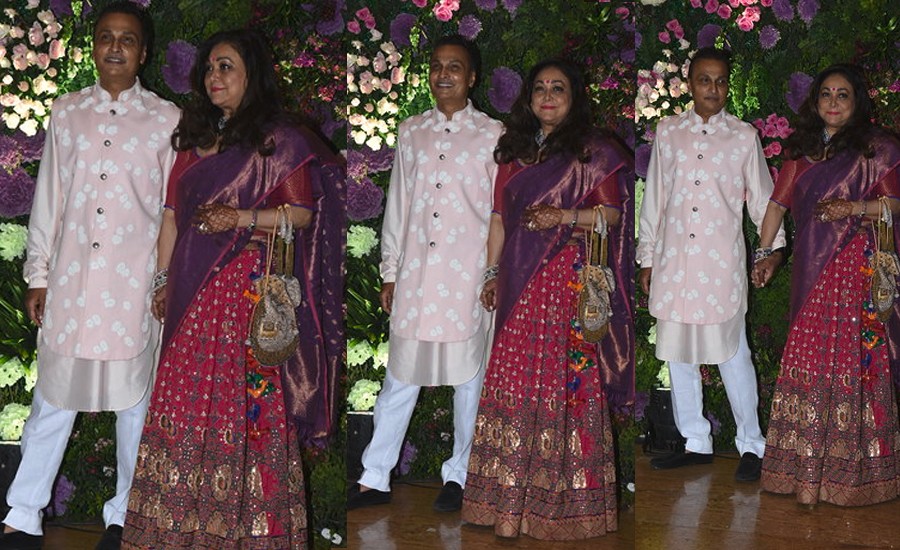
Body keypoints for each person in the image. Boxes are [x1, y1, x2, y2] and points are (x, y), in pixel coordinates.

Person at [120, 29, 344, 548]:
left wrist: (239, 218)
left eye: (226, 67)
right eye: (209, 68)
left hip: (249, 297)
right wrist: (162, 278)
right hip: (193, 296)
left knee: (251, 408)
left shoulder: (277, 140)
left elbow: (303, 215)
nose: (213, 77)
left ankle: (254, 533)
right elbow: (171, 218)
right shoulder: (193, 141)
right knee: (184, 403)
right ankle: (176, 529)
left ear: (251, 76)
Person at [0, 3, 179, 550]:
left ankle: (124, 515)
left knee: (134, 405)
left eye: (128, 39)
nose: (117, 47)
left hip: (134, 286)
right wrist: (39, 274)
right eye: (106, 37)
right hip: (74, 281)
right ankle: (23, 514)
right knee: (52, 399)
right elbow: (48, 198)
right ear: (94, 47)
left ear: (143, 52)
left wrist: (164, 279)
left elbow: (172, 210)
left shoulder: (167, 119)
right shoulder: (67, 113)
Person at [460, 58, 634, 540]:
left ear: (574, 96)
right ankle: (508, 505)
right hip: (518, 279)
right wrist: (492, 272)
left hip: (568, 280)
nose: (548, 96)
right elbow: (498, 220)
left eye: (558, 88)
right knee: (515, 379)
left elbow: (612, 217)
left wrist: (560, 219)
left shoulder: (591, 151)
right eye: (540, 88)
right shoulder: (513, 151)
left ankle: (566, 506)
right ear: (528, 98)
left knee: (565, 383)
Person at [347, 35, 502, 513]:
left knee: (469, 380)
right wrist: (390, 271)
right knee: (400, 376)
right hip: (417, 273)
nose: (443, 74)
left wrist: (493, 272)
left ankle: (460, 475)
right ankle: (375, 476)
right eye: (436, 66)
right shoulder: (411, 131)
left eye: (454, 66)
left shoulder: (495, 133)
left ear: (472, 77)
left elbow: (500, 211)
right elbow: (399, 206)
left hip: (470, 277)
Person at [752, 64, 900, 506]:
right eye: (826, 95)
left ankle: (857, 473)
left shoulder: (879, 149)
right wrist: (764, 255)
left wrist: (853, 208)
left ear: (856, 104)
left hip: (859, 270)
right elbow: (776, 206)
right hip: (813, 274)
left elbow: (894, 206)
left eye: (843, 95)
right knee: (811, 358)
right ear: (815, 102)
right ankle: (804, 469)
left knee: (856, 360)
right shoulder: (801, 151)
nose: (833, 102)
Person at [636, 46, 785, 481]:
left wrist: (770, 250)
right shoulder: (668, 132)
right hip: (674, 262)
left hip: (720, 265)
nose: (713, 89)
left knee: (733, 355)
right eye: (705, 80)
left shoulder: (742, 136)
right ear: (690, 81)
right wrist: (647, 257)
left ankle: (752, 444)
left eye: (721, 81)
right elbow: (656, 200)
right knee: (679, 357)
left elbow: (762, 198)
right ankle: (695, 441)